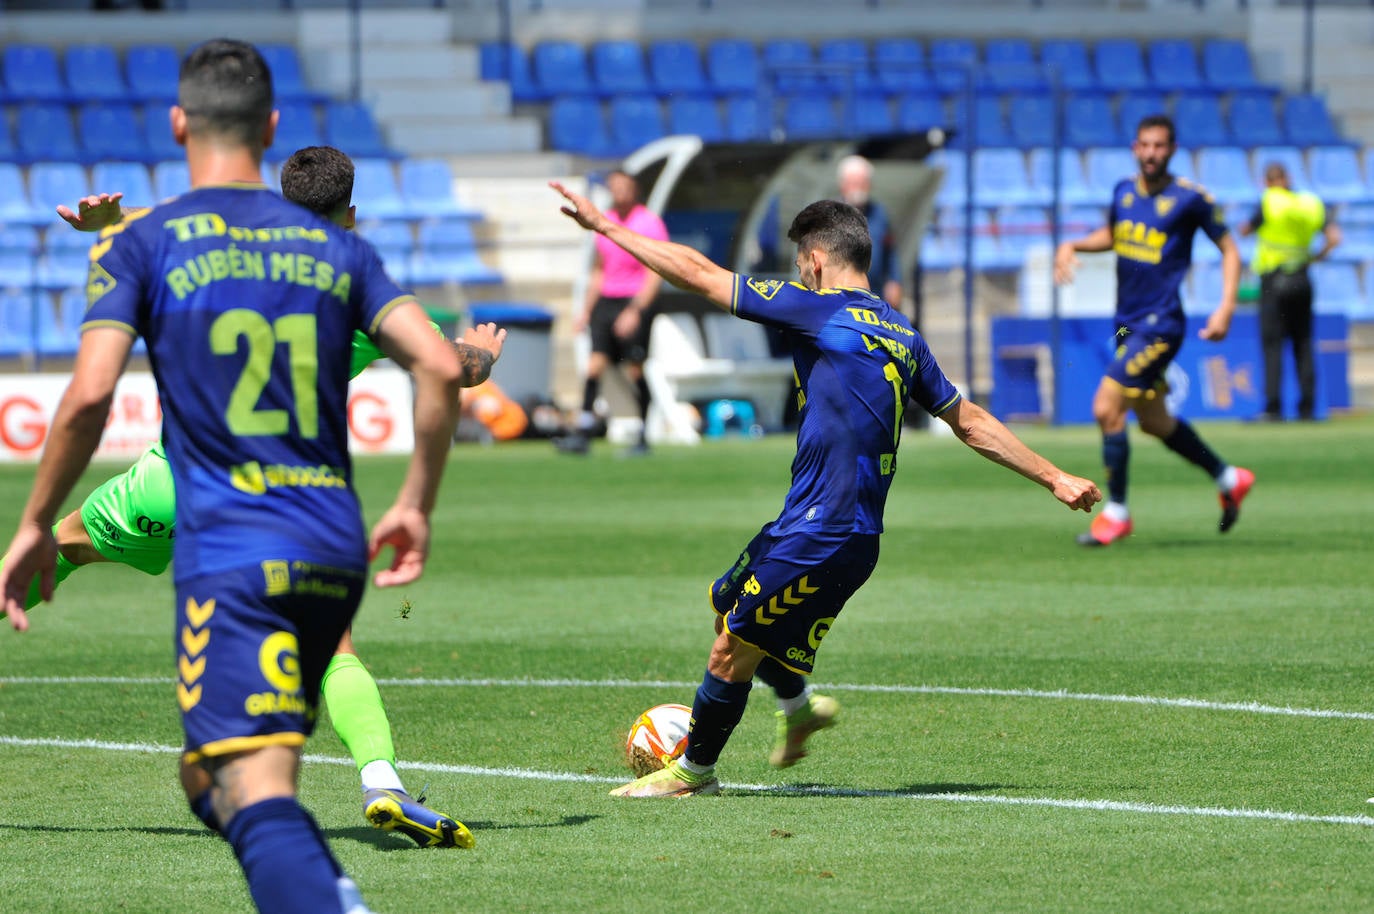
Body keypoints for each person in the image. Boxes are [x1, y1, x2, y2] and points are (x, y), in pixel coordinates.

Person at [0, 41, 465, 914]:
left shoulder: (156, 244)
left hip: (187, 496)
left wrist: (110, 230)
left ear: (180, 123)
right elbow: (446, 366)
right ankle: (382, 776)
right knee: (332, 661)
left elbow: (90, 395)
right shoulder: (346, 264)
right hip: (320, 525)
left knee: (58, 561)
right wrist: (417, 497)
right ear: (274, 126)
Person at [550, 184, 1102, 798]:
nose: (799, 276)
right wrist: (1055, 476)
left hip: (825, 528)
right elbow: (968, 420)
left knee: (729, 648)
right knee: (727, 601)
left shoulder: (818, 308)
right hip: (833, 529)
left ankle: (691, 772)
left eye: (799, 265)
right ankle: (799, 707)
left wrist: (606, 228)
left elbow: (703, 276)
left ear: (814, 260)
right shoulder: (902, 333)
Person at [1054, 114, 1256, 548]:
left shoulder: (1190, 199)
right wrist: (1071, 244)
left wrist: (1225, 308)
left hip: (1160, 325)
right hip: (1126, 324)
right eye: (1144, 145)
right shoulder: (1123, 191)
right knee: (1154, 421)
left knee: (1107, 407)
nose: (1151, 153)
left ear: (1172, 149)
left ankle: (1117, 512)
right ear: (1134, 147)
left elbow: (1229, 248)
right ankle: (1229, 477)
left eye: (1160, 146)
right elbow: (1114, 233)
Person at [563, 169, 668, 455]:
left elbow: (654, 272)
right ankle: (583, 432)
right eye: (614, 187)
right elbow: (599, 270)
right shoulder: (605, 221)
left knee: (634, 368)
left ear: (634, 189)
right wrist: (585, 310)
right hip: (606, 302)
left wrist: (635, 310)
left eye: (624, 187)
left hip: (634, 301)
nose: (619, 192)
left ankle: (644, 435)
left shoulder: (649, 222)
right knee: (594, 365)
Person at [1238, 162, 1341, 422]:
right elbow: (1334, 238)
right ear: (1288, 178)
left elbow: (1246, 229)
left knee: (1272, 345)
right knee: (1303, 342)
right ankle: (1307, 408)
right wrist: (1316, 257)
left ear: (1267, 181)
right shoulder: (1310, 203)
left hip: (1274, 280)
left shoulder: (1269, 201)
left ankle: (1273, 408)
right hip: (1302, 278)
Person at [836, 154, 903, 311]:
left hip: (875, 295)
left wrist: (895, 280)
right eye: (853, 183)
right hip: (842, 298)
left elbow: (890, 251)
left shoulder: (879, 214)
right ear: (843, 185)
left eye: (862, 183)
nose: (858, 188)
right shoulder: (831, 215)